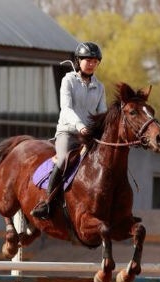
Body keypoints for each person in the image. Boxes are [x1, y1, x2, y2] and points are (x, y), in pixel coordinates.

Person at [31, 41, 108, 219]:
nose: (91, 64)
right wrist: (80, 126)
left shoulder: (100, 87)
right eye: (87, 60)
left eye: (95, 61)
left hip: (89, 135)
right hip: (68, 132)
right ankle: (47, 203)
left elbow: (102, 112)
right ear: (78, 60)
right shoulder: (68, 80)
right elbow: (66, 109)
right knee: (62, 160)